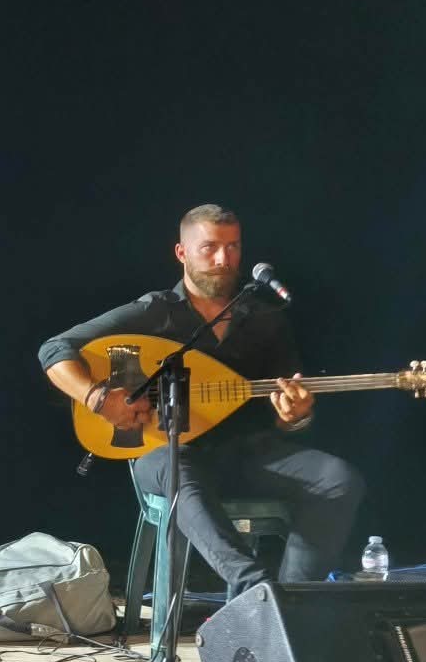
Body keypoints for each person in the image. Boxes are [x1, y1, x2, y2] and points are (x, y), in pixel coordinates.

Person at [39, 204, 364, 597]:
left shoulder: (266, 319)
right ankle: (256, 591)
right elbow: (54, 350)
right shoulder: (154, 313)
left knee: (338, 480)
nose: (224, 259)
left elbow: (288, 405)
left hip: (249, 455)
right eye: (210, 247)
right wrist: (98, 398)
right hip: (169, 455)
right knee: (178, 468)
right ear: (182, 253)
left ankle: (294, 603)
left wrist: (294, 416)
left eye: (233, 247)